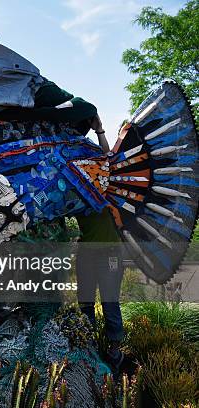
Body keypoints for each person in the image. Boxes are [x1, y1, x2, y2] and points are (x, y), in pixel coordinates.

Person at [76, 116, 125, 373]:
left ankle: (115, 349)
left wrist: (100, 131)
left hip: (110, 253)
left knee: (109, 300)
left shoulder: (106, 183)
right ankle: (88, 346)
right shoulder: (74, 187)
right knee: (85, 301)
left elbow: (110, 161)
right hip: (86, 252)